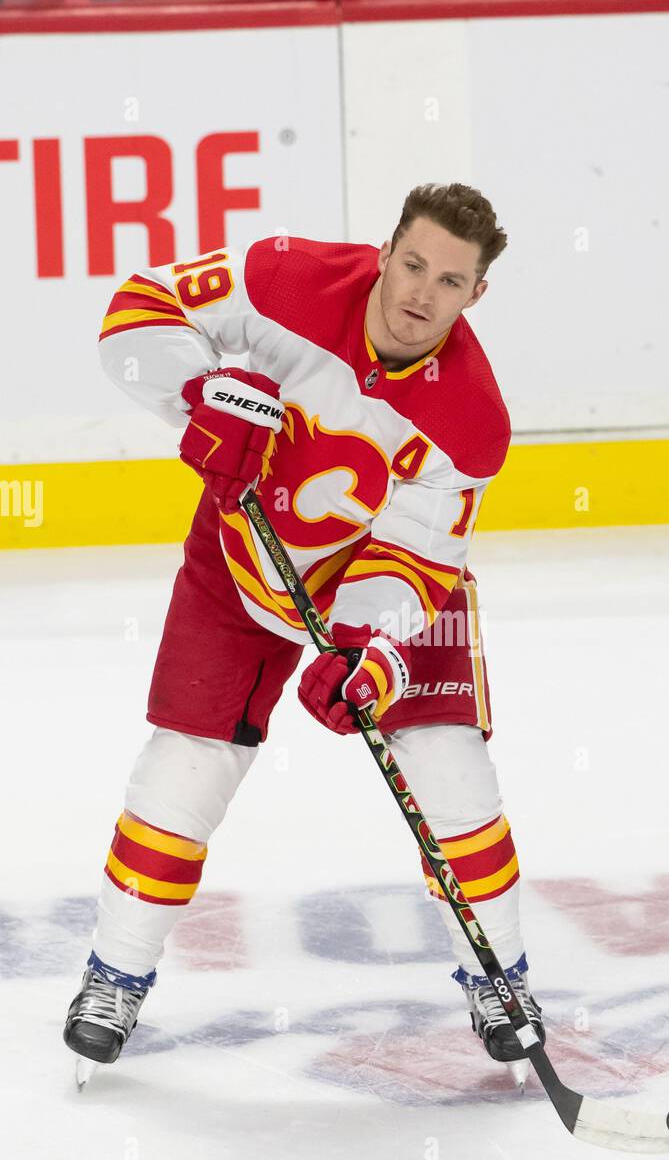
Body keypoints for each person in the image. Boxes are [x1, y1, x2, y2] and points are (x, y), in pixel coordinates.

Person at [63, 182, 544, 1082]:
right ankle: (113, 974)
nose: (419, 295)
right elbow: (138, 310)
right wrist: (199, 392)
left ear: (477, 294)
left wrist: (369, 648)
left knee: (450, 771)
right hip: (240, 559)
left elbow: (415, 559)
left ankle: (500, 978)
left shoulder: (472, 421)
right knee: (184, 767)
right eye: (411, 265)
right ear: (386, 248)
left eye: (448, 281)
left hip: (377, 588)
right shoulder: (283, 277)